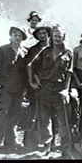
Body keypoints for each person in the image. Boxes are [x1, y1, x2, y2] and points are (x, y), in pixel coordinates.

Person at [27, 24, 73, 156]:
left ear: (63, 37)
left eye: (60, 36)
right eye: (55, 36)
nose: (57, 38)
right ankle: (46, 147)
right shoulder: (45, 51)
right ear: (52, 37)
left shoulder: (68, 53)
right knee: (44, 119)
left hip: (60, 89)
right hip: (45, 88)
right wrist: (33, 81)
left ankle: (65, 149)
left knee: (63, 120)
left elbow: (69, 73)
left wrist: (66, 90)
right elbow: (31, 66)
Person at [0, 26, 28, 153]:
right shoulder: (3, 49)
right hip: (6, 87)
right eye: (15, 35)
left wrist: (26, 88)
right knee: (3, 114)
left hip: (19, 88)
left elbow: (26, 72)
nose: (17, 37)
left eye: (20, 35)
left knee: (15, 115)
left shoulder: (25, 52)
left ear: (22, 38)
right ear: (11, 36)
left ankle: (11, 140)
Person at [23, 23, 51, 149]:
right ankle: (30, 142)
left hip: (50, 85)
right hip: (36, 85)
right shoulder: (33, 50)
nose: (42, 35)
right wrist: (33, 81)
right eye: (40, 34)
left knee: (48, 113)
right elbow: (29, 67)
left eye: (44, 33)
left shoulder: (54, 48)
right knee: (34, 111)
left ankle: (47, 141)